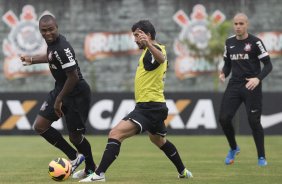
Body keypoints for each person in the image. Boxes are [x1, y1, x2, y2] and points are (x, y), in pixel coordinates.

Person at [79, 20, 193, 182]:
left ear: (148, 35)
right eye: (134, 35)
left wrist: (149, 44)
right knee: (158, 140)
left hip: (149, 107)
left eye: (137, 35)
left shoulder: (157, 50)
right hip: (154, 106)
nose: (135, 39)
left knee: (115, 134)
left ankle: (99, 174)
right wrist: (148, 45)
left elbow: (161, 58)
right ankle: (183, 171)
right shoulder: (149, 52)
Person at [20, 15, 97, 178]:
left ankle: (91, 169)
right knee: (40, 126)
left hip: (76, 93)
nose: (47, 33)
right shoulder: (52, 45)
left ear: (57, 27)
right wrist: (31, 60)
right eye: (43, 30)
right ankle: (74, 157)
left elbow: (74, 77)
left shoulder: (62, 47)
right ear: (40, 31)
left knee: (75, 137)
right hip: (61, 88)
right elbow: (50, 57)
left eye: (50, 29)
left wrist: (59, 100)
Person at [218, 13, 272, 166]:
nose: (238, 26)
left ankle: (261, 157)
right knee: (223, 118)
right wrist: (223, 73)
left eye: (241, 23)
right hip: (234, 85)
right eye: (235, 24)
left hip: (251, 85)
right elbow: (227, 64)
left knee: (253, 121)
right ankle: (234, 148)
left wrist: (257, 78)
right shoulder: (229, 42)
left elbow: (268, 65)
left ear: (246, 24)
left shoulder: (256, 42)